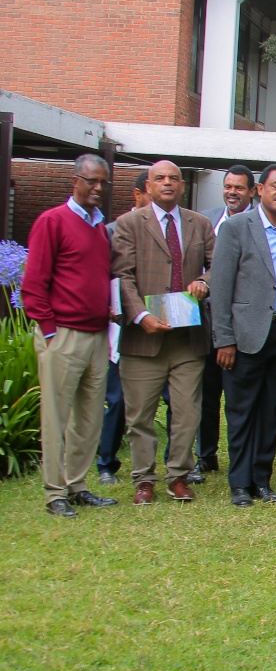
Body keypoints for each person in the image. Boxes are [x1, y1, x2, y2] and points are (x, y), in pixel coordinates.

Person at [111, 160, 215, 505]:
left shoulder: (199, 224)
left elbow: (218, 266)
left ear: (183, 186)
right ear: (149, 186)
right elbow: (122, 274)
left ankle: (179, 476)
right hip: (144, 338)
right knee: (140, 415)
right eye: (160, 178)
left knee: (187, 412)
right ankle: (144, 479)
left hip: (187, 339)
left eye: (174, 178)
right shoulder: (128, 224)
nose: (168, 183)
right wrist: (140, 314)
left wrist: (203, 281)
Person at [21, 155, 118, 517]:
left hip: (95, 335)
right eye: (91, 181)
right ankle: (54, 492)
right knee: (56, 417)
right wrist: (48, 332)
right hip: (62, 334)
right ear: (74, 181)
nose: (98, 188)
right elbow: (34, 284)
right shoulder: (53, 221)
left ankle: (77, 484)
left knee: (88, 417)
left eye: (103, 182)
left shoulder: (98, 228)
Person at [208, 164, 276, 507]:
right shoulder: (237, 228)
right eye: (275, 186)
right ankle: (240, 484)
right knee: (241, 409)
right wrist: (223, 338)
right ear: (259, 190)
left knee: (271, 410)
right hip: (246, 334)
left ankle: (261, 480)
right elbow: (220, 288)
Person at [196, 165, 256, 476]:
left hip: (244, 325)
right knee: (206, 392)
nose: (232, 192)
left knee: (237, 397)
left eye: (239, 188)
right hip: (205, 322)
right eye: (228, 186)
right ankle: (205, 454)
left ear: (251, 191)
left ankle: (241, 457)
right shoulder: (205, 220)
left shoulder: (258, 225)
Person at [96, 170, 155, 485]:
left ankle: (177, 468)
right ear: (139, 193)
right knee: (118, 398)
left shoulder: (171, 230)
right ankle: (106, 462)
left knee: (174, 400)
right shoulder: (112, 231)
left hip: (161, 327)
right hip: (121, 327)